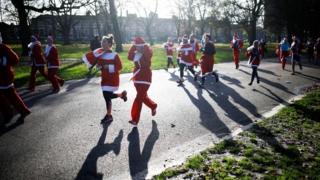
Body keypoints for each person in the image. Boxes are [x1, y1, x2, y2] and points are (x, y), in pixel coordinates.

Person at [82, 34, 127, 123]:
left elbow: (120, 67)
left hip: (113, 78)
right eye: (102, 42)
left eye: (104, 42)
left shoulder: (115, 55)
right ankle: (121, 95)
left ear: (109, 44)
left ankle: (109, 115)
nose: (102, 43)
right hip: (105, 79)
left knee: (107, 96)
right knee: (107, 96)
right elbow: (99, 66)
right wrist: (98, 66)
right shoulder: (100, 55)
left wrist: (108, 66)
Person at [0, 32, 31, 123]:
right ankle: (23, 110)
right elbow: (15, 59)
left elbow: (15, 59)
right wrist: (8, 66)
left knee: (3, 98)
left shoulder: (3, 48)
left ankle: (8, 114)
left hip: (2, 77)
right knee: (12, 95)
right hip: (8, 75)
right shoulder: (5, 47)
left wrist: (5, 66)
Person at [127, 36, 157, 126]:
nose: (138, 48)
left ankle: (135, 120)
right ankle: (153, 105)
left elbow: (149, 55)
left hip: (146, 76)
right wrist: (134, 46)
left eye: (140, 46)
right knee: (142, 96)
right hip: (137, 76)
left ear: (144, 46)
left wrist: (144, 48)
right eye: (136, 46)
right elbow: (129, 56)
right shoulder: (135, 53)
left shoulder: (148, 52)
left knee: (139, 97)